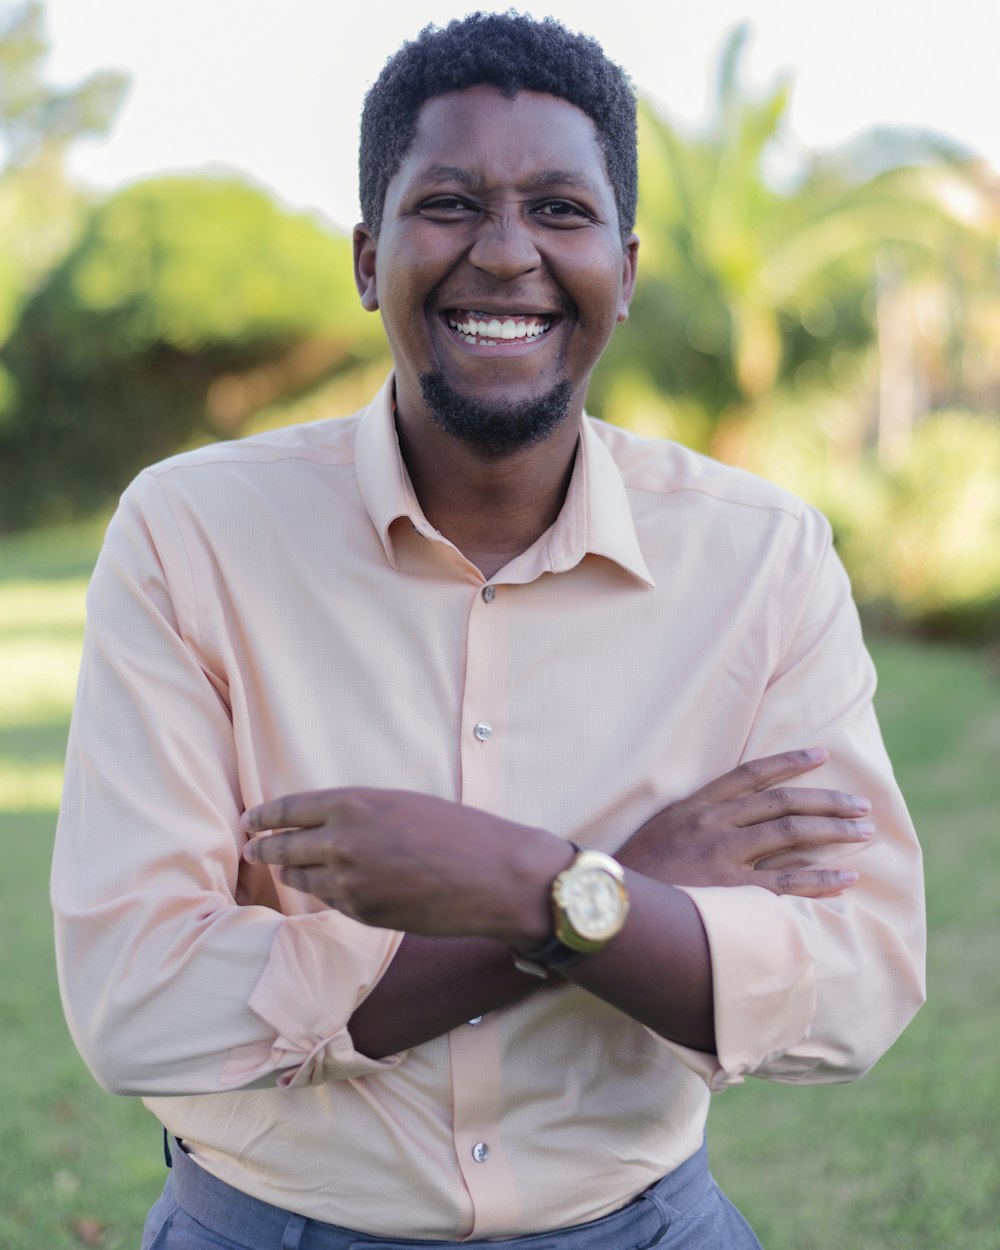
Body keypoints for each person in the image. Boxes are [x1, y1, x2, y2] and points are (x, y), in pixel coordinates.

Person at [52, 13, 925, 1250]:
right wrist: (609, 895)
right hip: (266, 1223)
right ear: (368, 258)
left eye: (561, 211)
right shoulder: (191, 533)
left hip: (644, 1222)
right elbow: (140, 1003)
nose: (507, 253)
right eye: (451, 202)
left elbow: (857, 984)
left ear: (624, 268)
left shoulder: (763, 556)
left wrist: (525, 885)